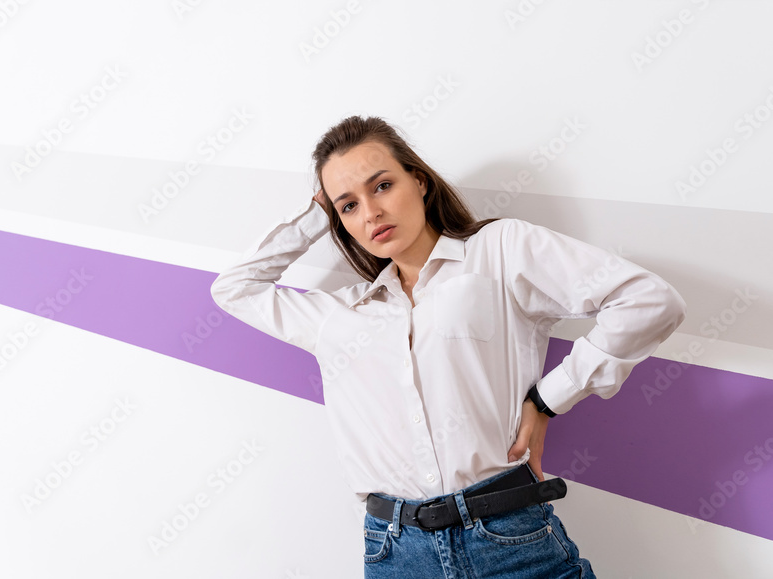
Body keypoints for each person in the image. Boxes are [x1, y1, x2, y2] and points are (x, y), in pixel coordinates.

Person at [210, 115, 687, 578]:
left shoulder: (499, 250)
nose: (371, 212)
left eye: (381, 185)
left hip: (509, 538)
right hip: (396, 552)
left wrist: (548, 399)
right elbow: (234, 288)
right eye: (348, 206)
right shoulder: (338, 316)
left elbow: (649, 301)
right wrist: (317, 213)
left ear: (418, 181)